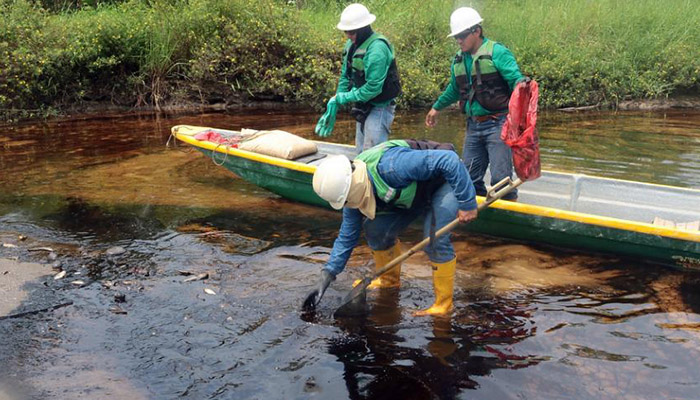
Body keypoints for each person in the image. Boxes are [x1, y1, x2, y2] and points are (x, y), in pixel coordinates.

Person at [304, 140, 478, 316]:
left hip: (443, 182)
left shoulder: (392, 167)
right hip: (412, 194)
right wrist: (327, 275)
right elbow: (346, 237)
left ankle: (443, 305)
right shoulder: (351, 199)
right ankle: (389, 281)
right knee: (375, 230)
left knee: (434, 239)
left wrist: (467, 202)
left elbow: (449, 160)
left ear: (353, 188)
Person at [425, 7, 523, 201]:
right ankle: (477, 214)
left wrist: (521, 116)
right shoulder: (459, 59)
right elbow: (454, 88)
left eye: (462, 36)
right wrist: (436, 108)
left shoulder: (498, 52)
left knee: (500, 180)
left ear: (476, 31)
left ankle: (506, 215)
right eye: (456, 37)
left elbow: (517, 82)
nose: (459, 41)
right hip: (474, 125)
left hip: (499, 124)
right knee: (468, 178)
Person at [315, 3, 401, 153]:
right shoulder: (351, 44)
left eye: (351, 32)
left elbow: (373, 88)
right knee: (360, 151)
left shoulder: (377, 49)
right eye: (346, 32)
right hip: (363, 103)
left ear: (363, 29)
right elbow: (345, 76)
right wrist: (337, 99)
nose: (348, 35)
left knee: (372, 153)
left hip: (380, 105)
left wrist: (345, 97)